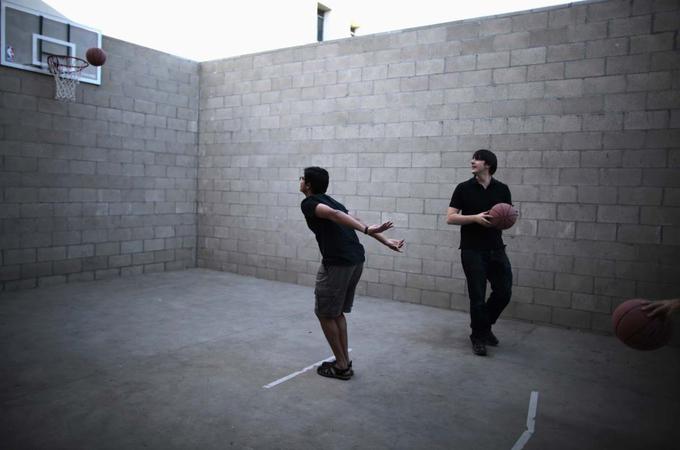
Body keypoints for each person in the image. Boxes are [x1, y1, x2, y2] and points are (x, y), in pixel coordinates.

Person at [300, 167, 404, 380]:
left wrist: (367, 231)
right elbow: (352, 219)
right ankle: (343, 361)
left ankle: (341, 366)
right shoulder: (332, 201)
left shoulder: (310, 203)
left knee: (325, 313)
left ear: (308, 185)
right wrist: (384, 240)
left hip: (338, 263)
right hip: (355, 260)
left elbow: (338, 216)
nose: (300, 181)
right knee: (336, 312)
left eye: (302, 178)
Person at [446, 149, 513, 356]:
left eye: (477, 159)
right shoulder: (463, 188)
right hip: (472, 250)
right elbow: (450, 218)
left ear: (488, 164)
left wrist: (508, 218)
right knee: (477, 297)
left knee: (504, 292)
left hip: (496, 248)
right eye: (473, 158)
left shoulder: (502, 189)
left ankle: (484, 327)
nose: (472, 161)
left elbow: (507, 216)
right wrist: (474, 218)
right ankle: (478, 337)